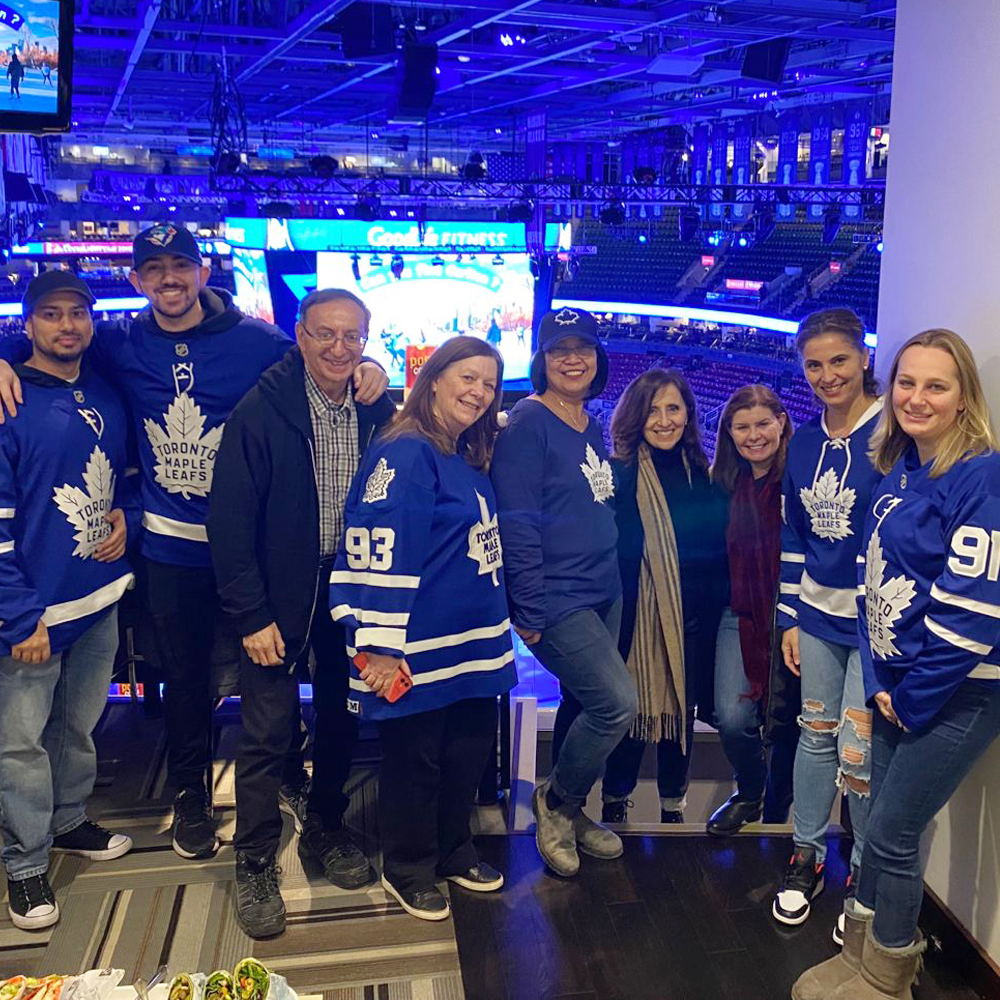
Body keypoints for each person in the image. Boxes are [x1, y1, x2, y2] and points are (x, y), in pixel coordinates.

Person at [0, 224, 389, 863]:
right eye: (153, 270)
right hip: (171, 551)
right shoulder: (119, 342)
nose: (169, 279)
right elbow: (51, 344)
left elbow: (327, 358)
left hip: (260, 554)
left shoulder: (259, 341)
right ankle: (190, 795)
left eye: (180, 265)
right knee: (185, 679)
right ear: (136, 282)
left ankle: (287, 775)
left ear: (204, 271)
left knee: (273, 678)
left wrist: (369, 365)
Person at [792, 329, 1000, 1000]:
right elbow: (871, 581)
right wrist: (882, 679)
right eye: (907, 382)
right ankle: (858, 957)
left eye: (936, 385)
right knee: (877, 823)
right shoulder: (900, 466)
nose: (916, 397)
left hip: (957, 693)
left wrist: (907, 696)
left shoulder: (981, 477)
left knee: (890, 834)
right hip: (898, 686)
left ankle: (888, 979)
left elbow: (972, 615)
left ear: (964, 396)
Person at [208, 288, 394, 938]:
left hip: (353, 592)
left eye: (352, 337)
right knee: (266, 733)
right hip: (280, 596)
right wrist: (252, 615)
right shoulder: (262, 411)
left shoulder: (376, 405)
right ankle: (255, 860)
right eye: (326, 334)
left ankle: (324, 824)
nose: (340, 348)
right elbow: (228, 523)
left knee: (344, 720)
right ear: (300, 334)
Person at [330, 336, 516, 921]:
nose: (478, 392)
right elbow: (378, 546)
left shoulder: (459, 449)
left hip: (472, 639)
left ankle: (453, 851)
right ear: (432, 379)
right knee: (416, 760)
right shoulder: (405, 451)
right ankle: (408, 865)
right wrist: (380, 645)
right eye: (467, 377)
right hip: (415, 644)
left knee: (465, 753)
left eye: (488, 383)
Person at [0, 272, 136, 931]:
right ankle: (25, 865)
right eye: (50, 314)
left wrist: (125, 517)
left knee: (76, 726)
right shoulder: (8, 400)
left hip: (96, 597)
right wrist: (19, 614)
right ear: (27, 324)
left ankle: (66, 818)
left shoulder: (104, 392)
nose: (67, 326)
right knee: (19, 742)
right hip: (32, 611)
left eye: (77, 313)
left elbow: (128, 481)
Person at [491, 306, 634, 877]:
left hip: (606, 589)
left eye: (583, 348)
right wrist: (528, 605)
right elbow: (517, 521)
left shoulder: (590, 422)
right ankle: (553, 804)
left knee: (582, 704)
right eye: (559, 349)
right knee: (616, 703)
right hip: (558, 596)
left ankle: (572, 814)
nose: (573, 358)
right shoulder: (528, 422)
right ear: (542, 359)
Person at [773, 308, 882, 938]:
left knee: (859, 748)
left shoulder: (892, 432)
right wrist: (790, 615)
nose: (826, 375)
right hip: (816, 617)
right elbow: (794, 535)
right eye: (813, 364)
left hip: (875, 628)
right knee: (815, 734)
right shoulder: (805, 441)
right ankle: (806, 855)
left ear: (864, 356)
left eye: (838, 360)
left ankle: (864, 871)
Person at [600, 369, 729, 825]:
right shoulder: (617, 475)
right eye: (652, 410)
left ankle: (673, 806)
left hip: (693, 619)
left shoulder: (705, 477)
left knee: (681, 712)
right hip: (633, 619)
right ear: (635, 416)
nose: (663, 420)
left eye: (673, 408)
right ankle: (615, 800)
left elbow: (717, 552)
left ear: (688, 415)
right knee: (633, 715)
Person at [706, 384, 798, 836]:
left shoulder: (800, 476)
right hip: (738, 612)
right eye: (741, 427)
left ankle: (779, 817)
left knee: (786, 724)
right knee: (734, 716)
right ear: (729, 432)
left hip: (793, 616)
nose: (753, 435)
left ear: (782, 422)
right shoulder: (723, 482)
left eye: (763, 423)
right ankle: (750, 790)